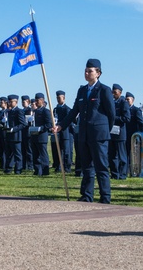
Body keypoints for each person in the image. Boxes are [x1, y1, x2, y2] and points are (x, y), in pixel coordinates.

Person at [57, 58, 116, 203]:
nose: (87, 73)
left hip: (99, 135)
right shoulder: (82, 90)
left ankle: (105, 197)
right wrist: (61, 125)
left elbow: (111, 114)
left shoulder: (104, 90)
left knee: (101, 167)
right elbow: (74, 112)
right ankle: (87, 195)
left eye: (90, 71)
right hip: (83, 134)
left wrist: (104, 131)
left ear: (98, 73)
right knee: (87, 167)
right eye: (85, 70)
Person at [109, 84, 131, 179]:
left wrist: (114, 118)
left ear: (120, 93)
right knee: (112, 155)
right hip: (111, 133)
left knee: (122, 156)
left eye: (115, 92)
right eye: (112, 92)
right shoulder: (111, 102)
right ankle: (114, 174)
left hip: (120, 133)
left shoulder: (123, 103)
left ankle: (122, 174)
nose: (113, 94)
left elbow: (126, 118)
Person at [29, 92, 52, 176]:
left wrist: (41, 128)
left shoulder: (45, 111)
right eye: (35, 100)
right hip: (34, 135)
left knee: (43, 155)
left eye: (37, 100)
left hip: (42, 136)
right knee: (35, 155)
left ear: (42, 100)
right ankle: (37, 171)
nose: (36, 102)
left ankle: (45, 171)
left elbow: (49, 124)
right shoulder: (34, 111)